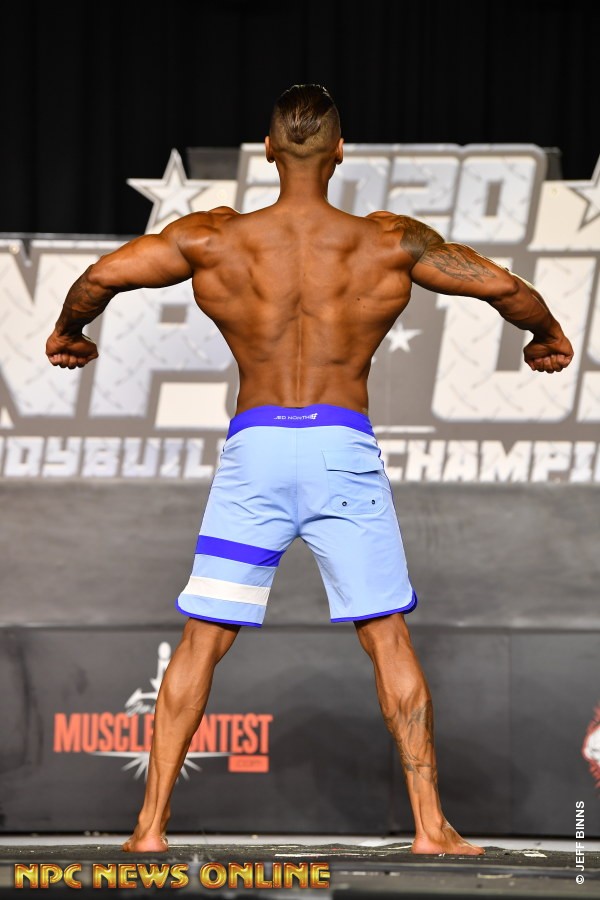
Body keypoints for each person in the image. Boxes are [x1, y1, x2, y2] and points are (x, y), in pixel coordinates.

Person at [46, 84, 573, 856]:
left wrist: (70, 331)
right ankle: (431, 828)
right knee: (387, 638)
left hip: (256, 452)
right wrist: (546, 335)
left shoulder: (214, 238)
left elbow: (100, 277)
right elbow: (504, 288)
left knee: (201, 640)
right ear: (340, 151)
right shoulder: (388, 241)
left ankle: (149, 829)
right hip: (340, 452)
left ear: (267, 150)